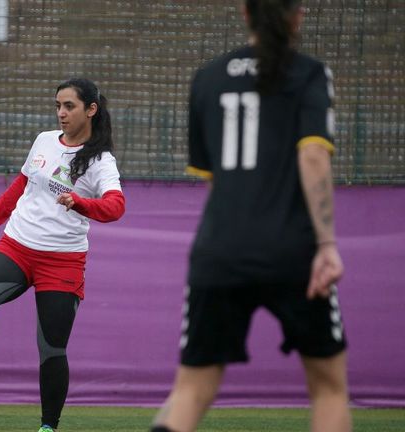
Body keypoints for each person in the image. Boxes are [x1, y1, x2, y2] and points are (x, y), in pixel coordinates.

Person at [150, 1, 351, 432]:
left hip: (220, 252)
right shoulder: (310, 73)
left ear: (245, 13)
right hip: (293, 253)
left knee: (190, 391)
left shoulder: (207, 78)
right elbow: (313, 156)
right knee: (329, 390)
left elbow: (214, 181)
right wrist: (327, 245)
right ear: (298, 15)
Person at [0, 78, 125, 432]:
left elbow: (116, 207)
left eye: (69, 106)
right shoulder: (44, 140)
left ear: (91, 109)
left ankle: (48, 427)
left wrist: (80, 203)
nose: (61, 113)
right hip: (17, 245)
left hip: (62, 262)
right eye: (57, 106)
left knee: (51, 348)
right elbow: (21, 186)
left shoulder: (101, 161)